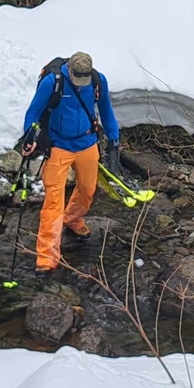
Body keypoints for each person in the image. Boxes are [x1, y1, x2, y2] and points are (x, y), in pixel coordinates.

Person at [18, 52, 120, 273]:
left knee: (87, 189)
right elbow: (33, 113)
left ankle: (72, 219)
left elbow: (106, 111)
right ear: (70, 70)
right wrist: (30, 136)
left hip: (87, 143)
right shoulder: (52, 82)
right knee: (53, 201)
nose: (81, 83)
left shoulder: (97, 81)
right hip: (58, 146)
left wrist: (114, 140)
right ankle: (46, 257)